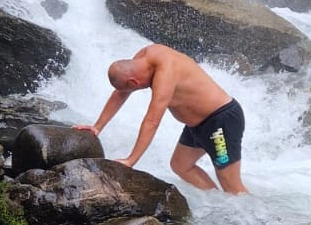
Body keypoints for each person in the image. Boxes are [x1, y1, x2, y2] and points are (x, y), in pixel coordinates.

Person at [76, 44, 249, 194]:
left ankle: (257, 220)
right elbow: (121, 93)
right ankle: (222, 205)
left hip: (220, 121)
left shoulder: (165, 72)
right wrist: (97, 127)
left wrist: (131, 160)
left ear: (134, 82)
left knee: (230, 184)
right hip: (197, 126)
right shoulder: (142, 58)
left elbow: (152, 121)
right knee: (181, 165)